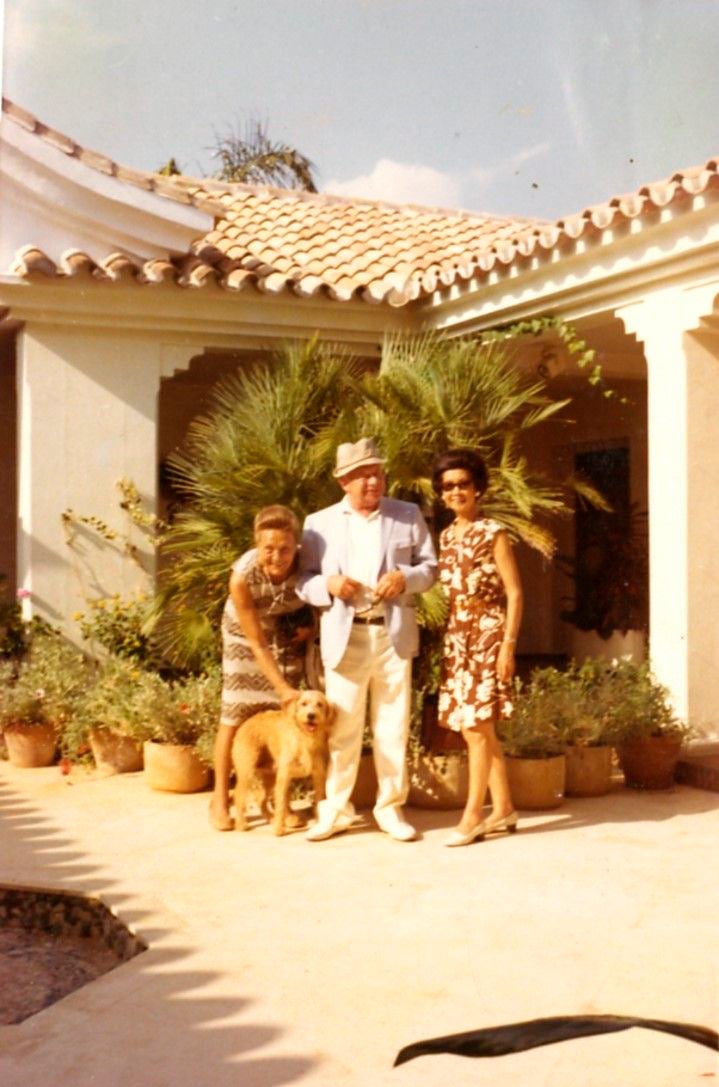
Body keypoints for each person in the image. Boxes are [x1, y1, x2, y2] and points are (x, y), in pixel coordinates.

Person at [297, 437, 437, 842]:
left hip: (392, 634)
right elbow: (304, 581)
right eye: (362, 476)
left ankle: (390, 809)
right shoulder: (318, 524)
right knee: (342, 728)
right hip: (346, 635)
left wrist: (404, 578)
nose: (372, 482)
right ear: (344, 481)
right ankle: (335, 810)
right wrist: (330, 583)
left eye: (376, 473)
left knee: (392, 726)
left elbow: (429, 567)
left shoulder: (407, 514)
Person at [432, 448, 523, 847]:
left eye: (463, 484)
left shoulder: (493, 532)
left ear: (478, 488)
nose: (456, 491)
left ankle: (473, 816)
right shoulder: (447, 536)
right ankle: (503, 808)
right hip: (458, 633)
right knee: (479, 727)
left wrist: (508, 646)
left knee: (475, 728)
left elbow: (516, 592)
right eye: (448, 486)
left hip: (488, 631)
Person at [209, 505, 314, 831]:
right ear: (257, 544)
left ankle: (272, 804)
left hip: (284, 633)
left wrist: (308, 629)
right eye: (268, 548)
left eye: (284, 548)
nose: (277, 556)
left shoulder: (307, 563)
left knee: (279, 721)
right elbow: (256, 642)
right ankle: (219, 800)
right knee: (236, 713)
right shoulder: (241, 576)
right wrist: (282, 687)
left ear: (295, 545)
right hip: (245, 637)